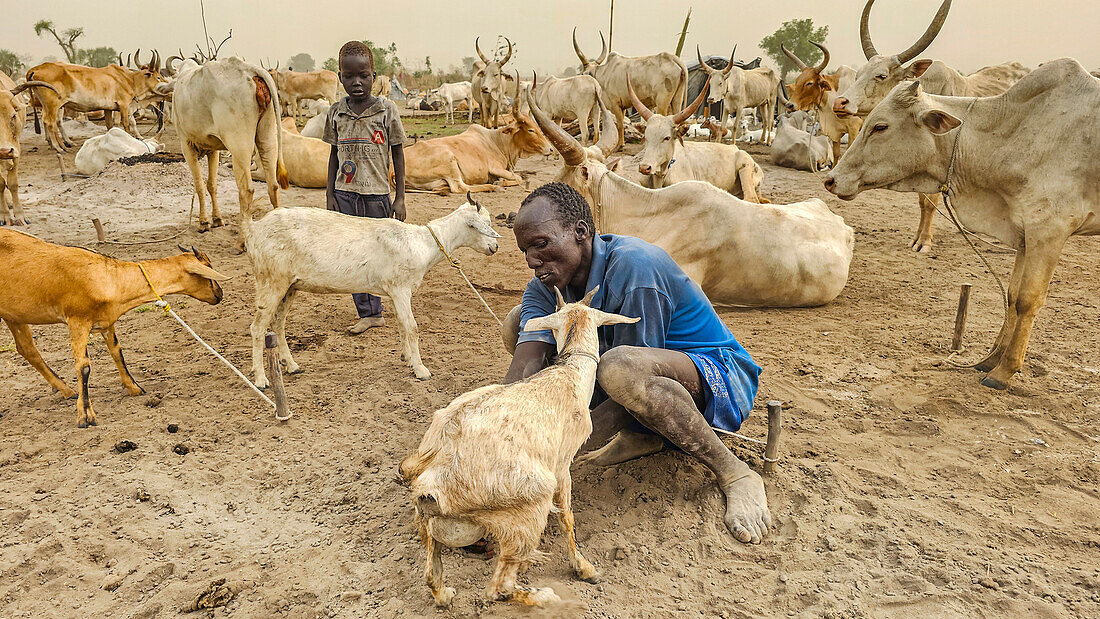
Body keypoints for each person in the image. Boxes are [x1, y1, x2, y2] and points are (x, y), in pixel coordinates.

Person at [502, 182, 771, 544]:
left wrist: (553, 452)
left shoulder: (636, 268)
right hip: (636, 380)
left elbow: (626, 384)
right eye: (525, 250)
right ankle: (645, 435)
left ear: (581, 232)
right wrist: (500, 435)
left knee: (619, 368)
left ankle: (735, 473)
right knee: (520, 323)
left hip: (715, 379)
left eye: (542, 244)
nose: (533, 261)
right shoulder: (546, 286)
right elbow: (525, 365)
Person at [323, 41, 407, 334]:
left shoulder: (387, 110)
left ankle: (383, 305)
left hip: (377, 194)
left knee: (379, 253)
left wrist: (400, 198)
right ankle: (369, 313)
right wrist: (330, 194)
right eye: (349, 76)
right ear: (340, 77)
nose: (356, 82)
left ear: (374, 76)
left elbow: (398, 152)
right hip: (345, 194)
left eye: (363, 75)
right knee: (352, 255)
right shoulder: (336, 113)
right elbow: (333, 155)